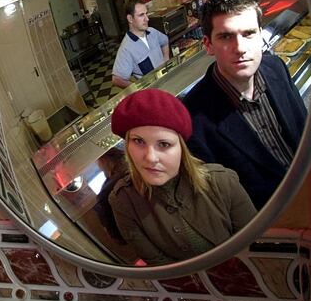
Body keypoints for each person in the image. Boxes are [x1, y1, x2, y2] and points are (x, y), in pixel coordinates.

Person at [183, 0, 307, 210]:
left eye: (249, 33)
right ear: (208, 45)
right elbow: (223, 203)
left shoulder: (276, 67)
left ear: (261, 34)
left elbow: (305, 129)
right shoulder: (194, 116)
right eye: (225, 36)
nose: (239, 48)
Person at [108, 89, 257, 266]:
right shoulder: (123, 201)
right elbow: (159, 265)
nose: (150, 158)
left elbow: (253, 244)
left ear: (182, 148)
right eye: (138, 141)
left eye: (164, 144)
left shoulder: (222, 182)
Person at [111, 0, 170, 88]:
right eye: (141, 15)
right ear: (130, 18)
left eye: (146, 14)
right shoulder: (126, 48)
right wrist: (140, 89)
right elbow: (117, 79)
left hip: (167, 81)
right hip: (154, 91)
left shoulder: (152, 32)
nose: (147, 19)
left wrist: (166, 59)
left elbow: (165, 41)